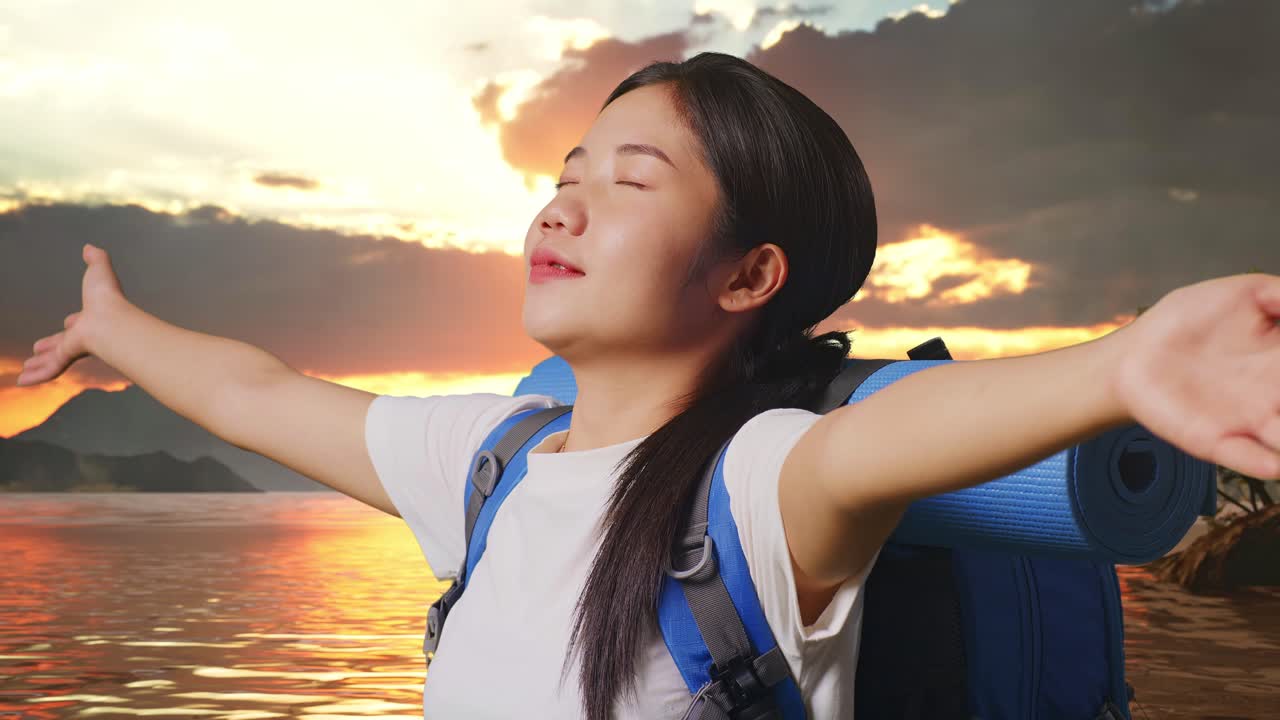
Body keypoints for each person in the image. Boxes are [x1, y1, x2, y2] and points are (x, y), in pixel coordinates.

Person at [14, 51, 1280, 720]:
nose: (562, 201)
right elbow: (259, 395)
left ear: (747, 277)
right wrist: (118, 331)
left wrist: (1124, 362)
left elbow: (896, 436)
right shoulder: (493, 468)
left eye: (629, 181)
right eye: (567, 170)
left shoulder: (756, 486)